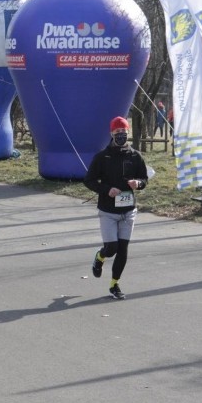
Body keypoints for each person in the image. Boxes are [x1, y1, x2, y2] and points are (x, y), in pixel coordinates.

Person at [84, 116, 148, 300]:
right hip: (108, 211)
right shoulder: (102, 157)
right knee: (111, 248)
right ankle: (100, 256)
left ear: (128, 133)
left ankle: (114, 284)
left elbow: (144, 179)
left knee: (123, 249)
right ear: (111, 134)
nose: (121, 135)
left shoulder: (135, 156)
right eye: (118, 132)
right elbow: (88, 181)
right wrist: (106, 190)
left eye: (124, 132)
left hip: (128, 211)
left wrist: (139, 183)